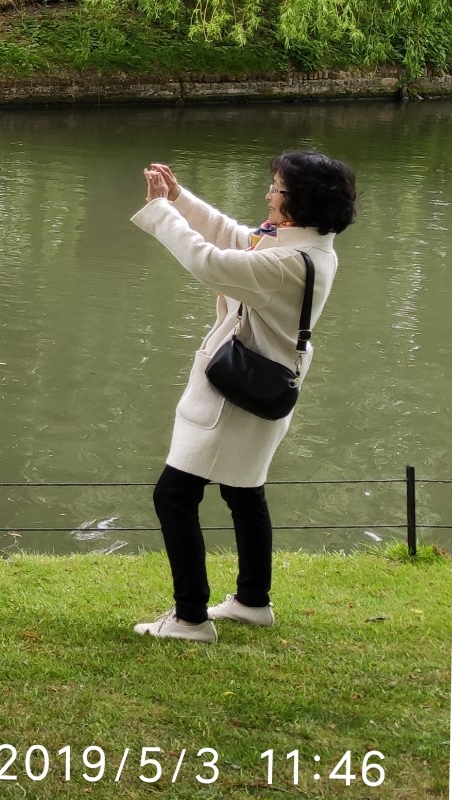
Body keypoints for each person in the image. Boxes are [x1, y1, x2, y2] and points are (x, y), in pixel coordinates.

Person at [129, 151, 355, 642]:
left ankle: (190, 618)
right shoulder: (306, 247)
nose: (268, 194)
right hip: (266, 388)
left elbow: (210, 264)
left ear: (299, 202)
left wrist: (162, 212)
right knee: (242, 490)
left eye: (276, 188)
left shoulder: (287, 262)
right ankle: (253, 601)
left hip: (235, 394)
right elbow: (235, 238)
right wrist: (180, 199)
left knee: (174, 495)